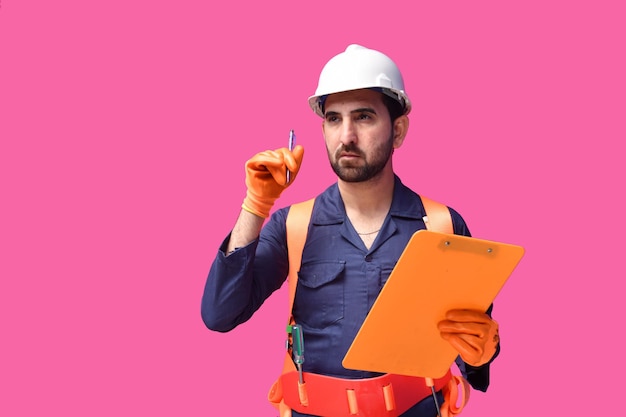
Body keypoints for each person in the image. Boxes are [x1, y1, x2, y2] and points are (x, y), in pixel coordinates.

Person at [201, 44, 500, 417]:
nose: (345, 136)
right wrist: (255, 205)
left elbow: (475, 347)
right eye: (333, 119)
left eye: (363, 117)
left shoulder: (444, 226)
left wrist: (484, 350)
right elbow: (219, 314)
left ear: (399, 130)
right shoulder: (294, 226)